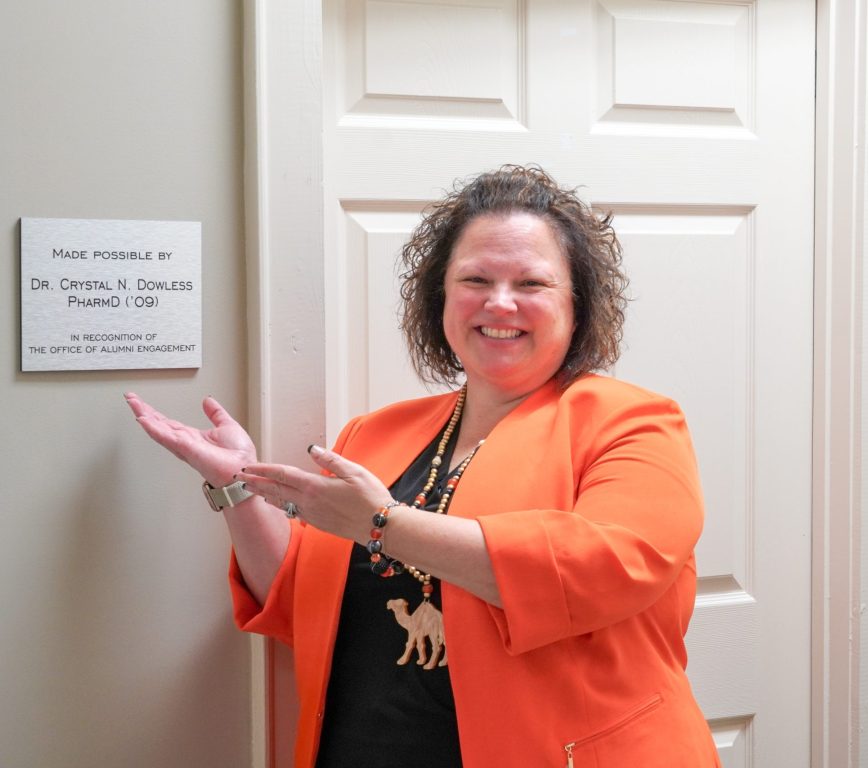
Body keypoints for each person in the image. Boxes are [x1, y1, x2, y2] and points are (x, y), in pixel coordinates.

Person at [125, 165, 721, 768]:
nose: (500, 301)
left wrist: (383, 524)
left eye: (533, 283)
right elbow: (309, 604)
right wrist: (237, 487)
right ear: (441, 296)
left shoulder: (636, 423)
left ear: (577, 305)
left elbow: (601, 570)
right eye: (476, 278)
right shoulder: (376, 433)